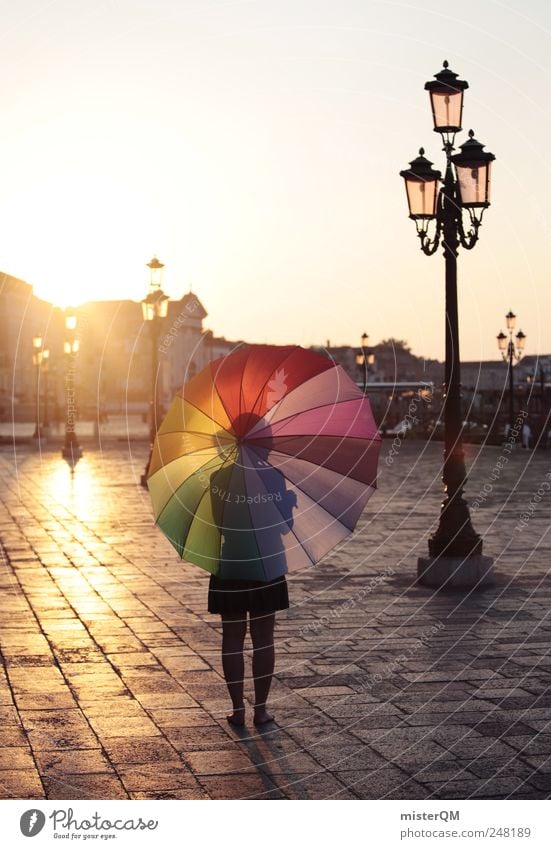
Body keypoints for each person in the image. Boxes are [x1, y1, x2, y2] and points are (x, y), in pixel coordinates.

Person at [207, 414, 297, 727]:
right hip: (267, 565)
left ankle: (237, 710)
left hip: (231, 562)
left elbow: (219, 525)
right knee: (264, 638)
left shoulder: (218, 478)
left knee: (231, 639)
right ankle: (261, 710)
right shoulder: (273, 478)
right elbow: (284, 527)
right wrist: (288, 501)